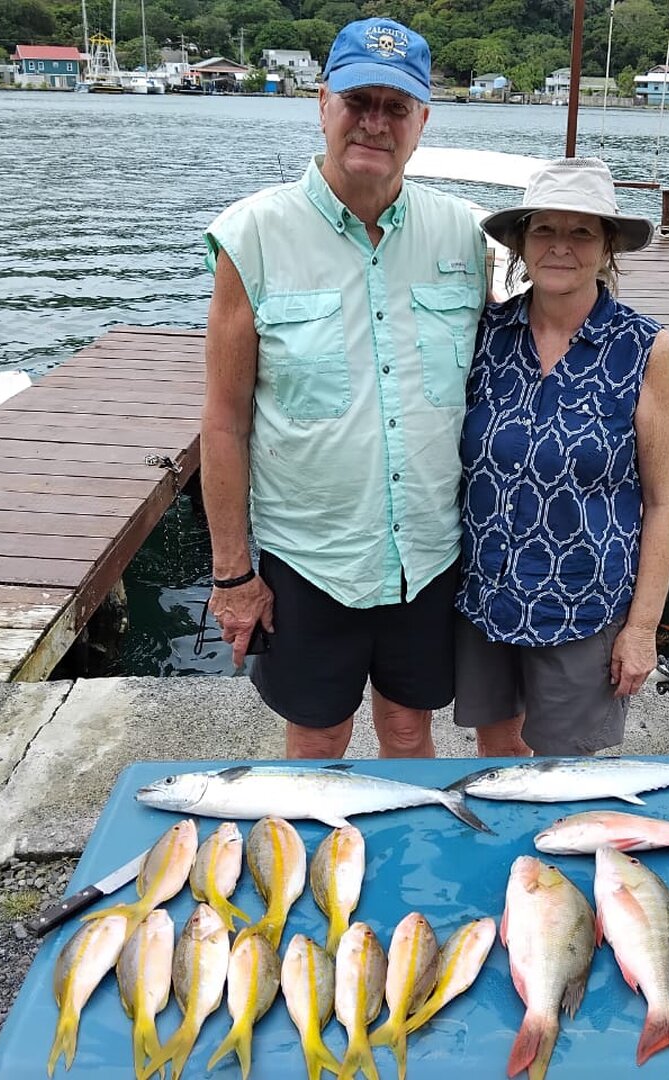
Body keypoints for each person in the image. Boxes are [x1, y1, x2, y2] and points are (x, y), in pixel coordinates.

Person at [200, 19, 486, 759]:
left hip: (428, 550)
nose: (375, 123)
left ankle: (404, 839)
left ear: (423, 121)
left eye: (397, 107)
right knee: (319, 734)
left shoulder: (464, 236)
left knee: (409, 727)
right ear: (323, 102)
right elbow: (225, 420)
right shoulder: (252, 235)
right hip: (311, 556)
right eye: (359, 100)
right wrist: (233, 573)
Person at [453, 157, 669, 758]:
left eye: (581, 231)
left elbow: (664, 502)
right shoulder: (486, 334)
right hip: (486, 594)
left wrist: (642, 628)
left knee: (566, 773)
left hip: (583, 602)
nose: (560, 246)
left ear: (607, 247)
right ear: (521, 244)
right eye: (544, 230)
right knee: (497, 756)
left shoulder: (644, 348)